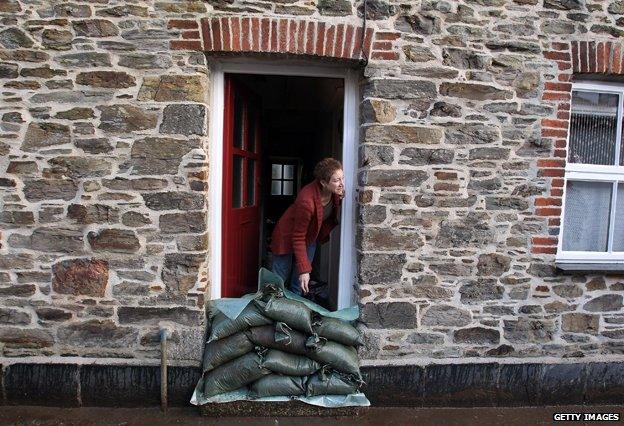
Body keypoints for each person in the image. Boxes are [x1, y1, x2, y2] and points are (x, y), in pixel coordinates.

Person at [270, 158, 344, 295]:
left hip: (309, 236)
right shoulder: (307, 200)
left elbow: (328, 213)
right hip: (287, 235)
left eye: (342, 178)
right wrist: (304, 270)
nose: (342, 184)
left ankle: (294, 313)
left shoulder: (334, 192)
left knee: (300, 283)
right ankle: (272, 309)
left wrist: (338, 198)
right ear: (323, 182)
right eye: (336, 180)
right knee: (279, 279)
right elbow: (298, 237)